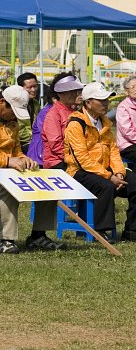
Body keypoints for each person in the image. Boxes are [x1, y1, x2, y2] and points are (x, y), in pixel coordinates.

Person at [0, 85, 63, 253]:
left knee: (45, 180)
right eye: (12, 110)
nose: (14, 116)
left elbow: (16, 151)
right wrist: (7, 161)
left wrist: (24, 159)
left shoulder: (12, 122)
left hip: (4, 171)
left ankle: (38, 235)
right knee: (7, 186)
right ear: (1, 102)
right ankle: (5, 239)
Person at [65, 82, 136, 242]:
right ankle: (100, 230)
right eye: (101, 100)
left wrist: (119, 172)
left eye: (107, 100)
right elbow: (82, 159)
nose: (106, 103)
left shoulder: (105, 123)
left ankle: (132, 230)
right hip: (79, 172)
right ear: (88, 103)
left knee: (134, 182)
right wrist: (109, 176)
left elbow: (113, 151)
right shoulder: (76, 124)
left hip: (106, 169)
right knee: (106, 186)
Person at [42, 73, 84, 170]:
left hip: (76, 159)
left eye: (75, 91)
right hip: (57, 163)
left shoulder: (74, 112)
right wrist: (77, 158)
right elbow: (56, 145)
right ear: (59, 93)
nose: (74, 94)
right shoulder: (53, 114)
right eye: (69, 91)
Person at [27, 86, 56, 166]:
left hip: (46, 157)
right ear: (54, 99)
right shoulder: (46, 113)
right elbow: (51, 136)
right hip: (39, 157)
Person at [16, 72, 40, 154]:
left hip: (32, 142)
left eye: (35, 86)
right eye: (29, 87)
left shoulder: (36, 104)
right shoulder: (15, 105)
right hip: (19, 144)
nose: (33, 90)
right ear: (21, 88)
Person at [116, 75, 136, 163]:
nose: (135, 89)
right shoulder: (123, 107)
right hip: (127, 145)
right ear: (126, 91)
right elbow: (127, 131)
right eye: (132, 87)